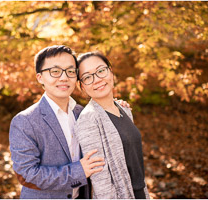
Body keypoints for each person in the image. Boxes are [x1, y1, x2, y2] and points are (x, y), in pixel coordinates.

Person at [9, 45, 105, 199]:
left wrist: (118, 107)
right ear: (40, 77)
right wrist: (79, 171)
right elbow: (27, 175)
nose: (64, 77)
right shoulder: (25, 121)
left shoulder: (83, 113)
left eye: (70, 71)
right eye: (55, 71)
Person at [74, 51, 149, 199]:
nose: (97, 79)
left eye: (101, 70)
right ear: (81, 86)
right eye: (88, 77)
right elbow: (100, 181)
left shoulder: (125, 110)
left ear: (111, 72)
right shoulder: (88, 119)